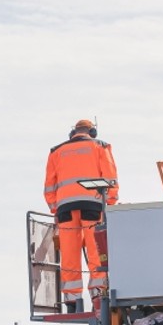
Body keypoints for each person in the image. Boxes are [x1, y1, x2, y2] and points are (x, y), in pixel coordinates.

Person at [44, 119, 119, 313]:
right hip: (93, 204)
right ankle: (98, 294)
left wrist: (55, 208)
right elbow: (110, 179)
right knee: (96, 251)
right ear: (91, 132)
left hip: (65, 209)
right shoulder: (100, 146)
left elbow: (49, 186)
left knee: (69, 253)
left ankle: (72, 301)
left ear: (73, 133)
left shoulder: (56, 152)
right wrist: (109, 203)